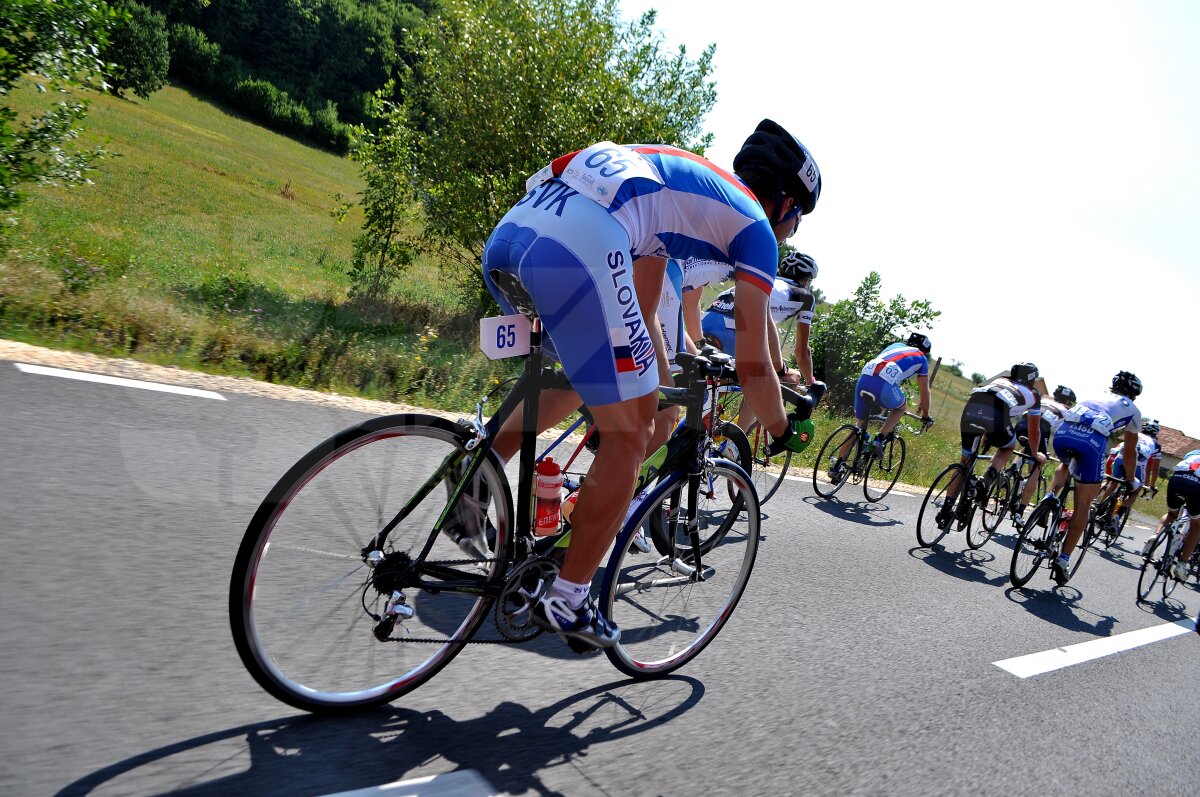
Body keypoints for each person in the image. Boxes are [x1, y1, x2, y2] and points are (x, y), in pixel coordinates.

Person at [477, 119, 822, 649]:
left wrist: (659, 385)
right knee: (631, 434)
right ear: (786, 204)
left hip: (518, 229)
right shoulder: (754, 228)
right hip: (580, 244)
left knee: (583, 380)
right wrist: (779, 429)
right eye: (796, 222)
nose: (790, 233)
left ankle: (474, 481)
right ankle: (569, 598)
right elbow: (755, 362)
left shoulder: (681, 195)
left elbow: (641, 309)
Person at [1045, 370, 1143, 585]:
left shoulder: (1095, 395)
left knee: (1066, 464)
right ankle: (1063, 559)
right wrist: (1130, 478)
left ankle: (1048, 499)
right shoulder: (1133, 410)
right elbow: (1129, 451)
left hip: (1063, 434)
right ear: (1134, 395)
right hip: (1091, 442)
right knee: (1083, 504)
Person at [937, 363, 1044, 524]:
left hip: (972, 406)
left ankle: (946, 509)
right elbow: (1034, 431)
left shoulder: (1002, 379)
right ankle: (986, 479)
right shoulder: (1033, 394)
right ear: (1031, 379)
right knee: (1008, 446)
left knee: (965, 462)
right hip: (997, 413)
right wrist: (1034, 453)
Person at [700, 251, 820, 386]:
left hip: (706, 322)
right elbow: (802, 352)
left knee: (719, 383)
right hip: (733, 331)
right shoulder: (806, 297)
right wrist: (811, 383)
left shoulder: (765, 280)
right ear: (805, 280)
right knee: (788, 379)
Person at [830, 333, 933, 481]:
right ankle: (880, 438)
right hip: (884, 385)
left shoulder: (895, 346)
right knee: (900, 407)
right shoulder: (922, 358)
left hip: (864, 379)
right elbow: (924, 391)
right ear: (925, 351)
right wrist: (926, 415)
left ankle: (837, 467)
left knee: (859, 426)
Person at [1011, 384, 1073, 520]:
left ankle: (1013, 467)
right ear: (1068, 401)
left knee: (1028, 447)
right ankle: (1020, 511)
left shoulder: (1045, 399)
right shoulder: (1067, 411)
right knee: (1038, 463)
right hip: (1040, 429)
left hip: (1022, 424)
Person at [1096, 418, 1162, 526]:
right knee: (1135, 492)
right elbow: (1155, 468)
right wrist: (1152, 485)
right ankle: (1117, 514)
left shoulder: (1135, 434)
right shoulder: (1156, 445)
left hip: (1120, 457)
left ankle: (1101, 508)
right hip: (1138, 464)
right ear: (1156, 433)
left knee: (1113, 483)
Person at [1156, 450, 1200, 581]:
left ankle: (1155, 537)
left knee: (1171, 514)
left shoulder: (1193, 452)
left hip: (1177, 478)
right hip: (1196, 485)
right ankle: (1182, 564)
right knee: (1196, 526)